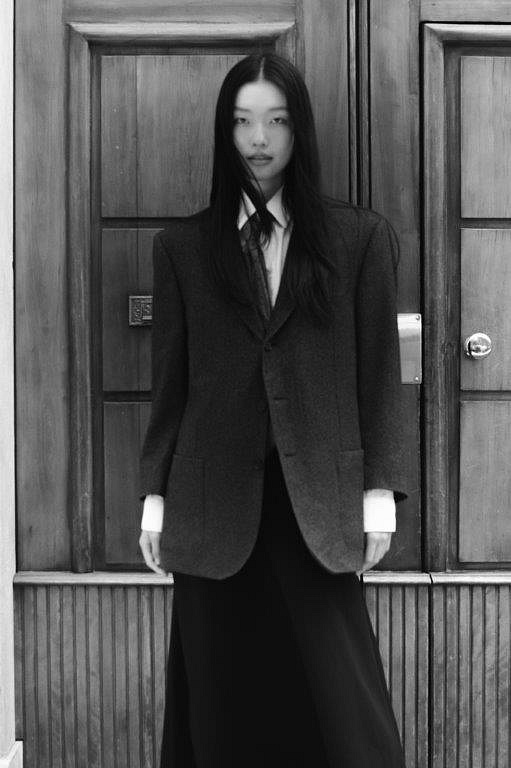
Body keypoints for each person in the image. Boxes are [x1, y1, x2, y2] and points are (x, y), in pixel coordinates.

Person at [138, 52, 410, 768]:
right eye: (242, 121)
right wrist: (155, 501)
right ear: (224, 131)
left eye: (277, 120)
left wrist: (378, 498)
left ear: (299, 129)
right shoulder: (182, 249)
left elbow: (379, 375)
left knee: (344, 706)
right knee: (221, 697)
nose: (259, 139)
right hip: (212, 503)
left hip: (317, 500)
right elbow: (170, 386)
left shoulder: (359, 240)